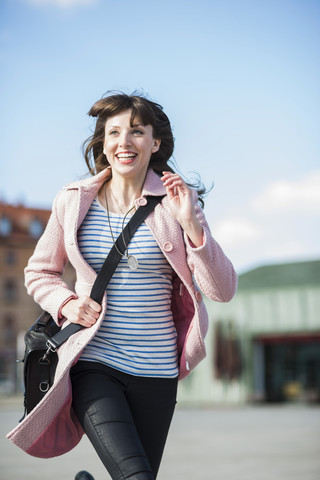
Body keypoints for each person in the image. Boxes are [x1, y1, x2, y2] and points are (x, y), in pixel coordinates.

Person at [7, 92, 237, 479]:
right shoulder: (73, 200)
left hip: (157, 370)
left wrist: (192, 226)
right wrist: (66, 303)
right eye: (113, 132)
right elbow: (39, 272)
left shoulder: (178, 203)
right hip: (95, 362)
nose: (124, 142)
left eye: (136, 131)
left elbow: (222, 289)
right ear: (102, 142)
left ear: (155, 141)